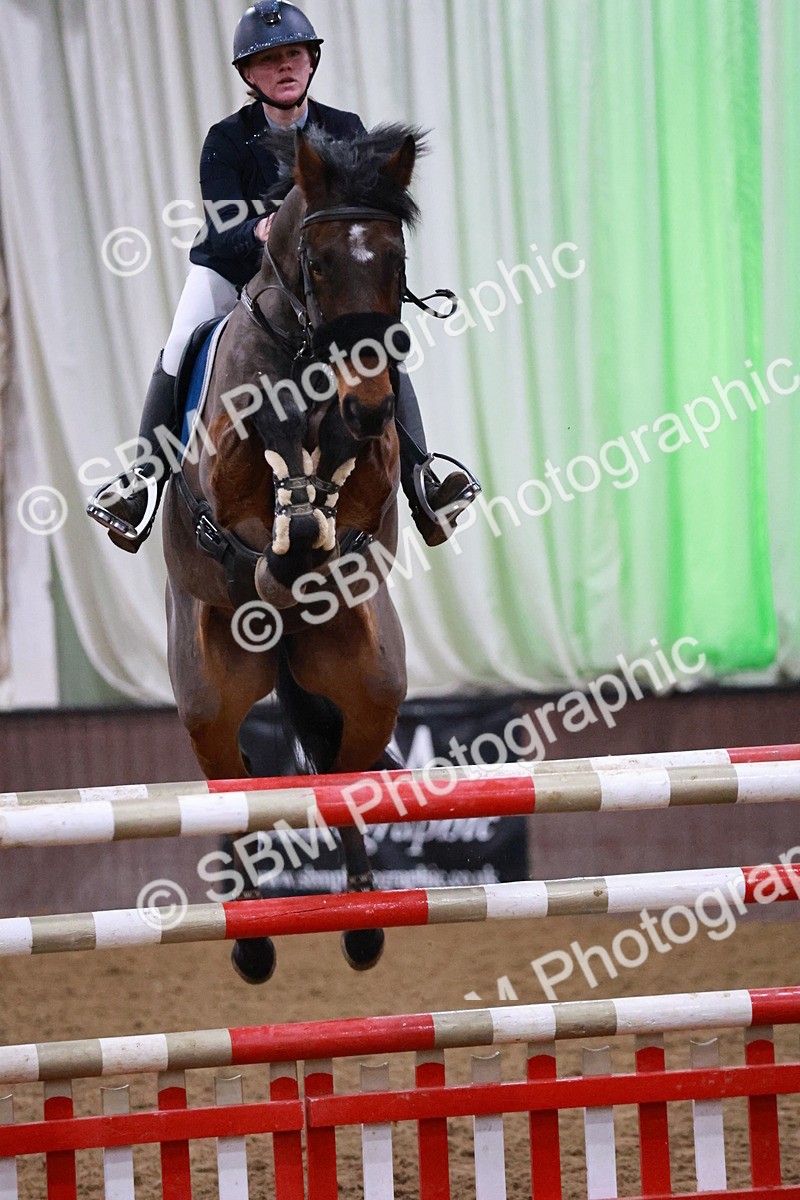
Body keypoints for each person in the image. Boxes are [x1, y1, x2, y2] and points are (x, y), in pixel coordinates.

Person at [87, 0, 479, 552]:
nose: (285, 67)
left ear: (311, 61)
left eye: (294, 54)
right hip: (234, 272)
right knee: (179, 346)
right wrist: (261, 230)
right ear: (249, 75)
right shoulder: (226, 140)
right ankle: (144, 482)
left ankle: (424, 480)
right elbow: (220, 227)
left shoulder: (343, 128)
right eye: (269, 60)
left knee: (379, 347)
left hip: (319, 280)